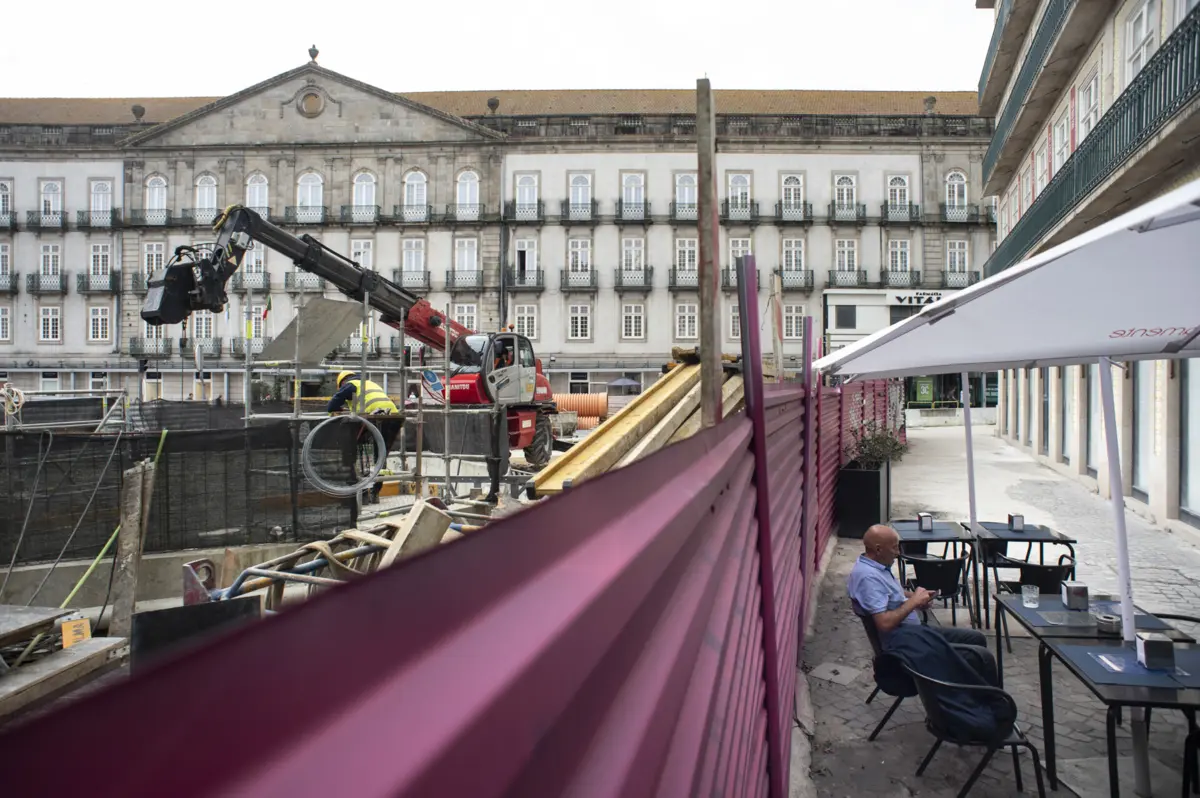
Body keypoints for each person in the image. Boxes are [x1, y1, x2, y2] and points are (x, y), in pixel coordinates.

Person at [848, 524, 997, 685]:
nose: (898, 553)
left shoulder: (875, 566)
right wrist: (913, 602)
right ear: (878, 549)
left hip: (915, 633)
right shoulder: (868, 578)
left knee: (976, 638)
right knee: (982, 657)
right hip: (904, 646)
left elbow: (888, 594)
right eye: (894, 548)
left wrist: (915, 597)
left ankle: (969, 692)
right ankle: (982, 701)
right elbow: (884, 623)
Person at [326, 371, 403, 504]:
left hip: (373, 416)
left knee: (359, 453)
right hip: (393, 416)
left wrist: (341, 409)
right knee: (380, 454)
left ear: (342, 382)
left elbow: (331, 406)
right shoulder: (370, 383)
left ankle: (362, 494)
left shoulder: (350, 384)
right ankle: (375, 492)